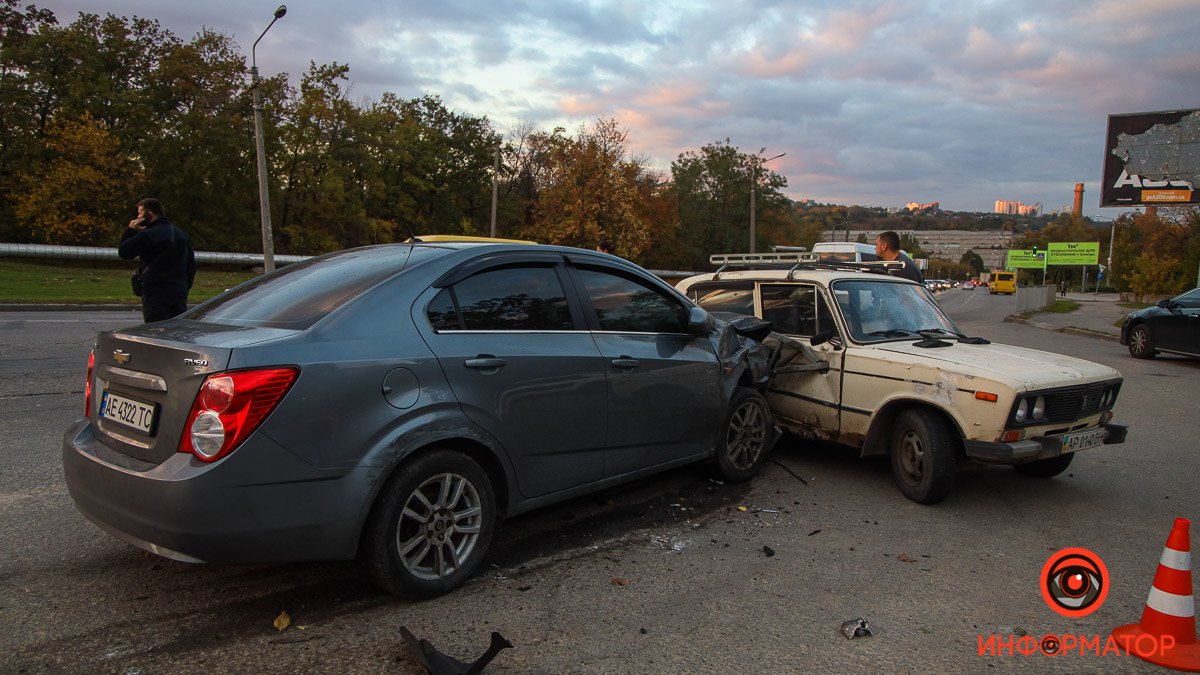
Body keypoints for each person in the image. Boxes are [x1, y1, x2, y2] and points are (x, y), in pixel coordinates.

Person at [118, 198, 196, 323]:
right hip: (179, 292)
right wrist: (185, 286)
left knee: (155, 329)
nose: (138, 217)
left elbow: (124, 252)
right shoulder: (181, 234)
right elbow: (191, 265)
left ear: (149, 214)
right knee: (176, 329)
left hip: (156, 293)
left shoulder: (149, 234)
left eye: (140, 213)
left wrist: (131, 230)